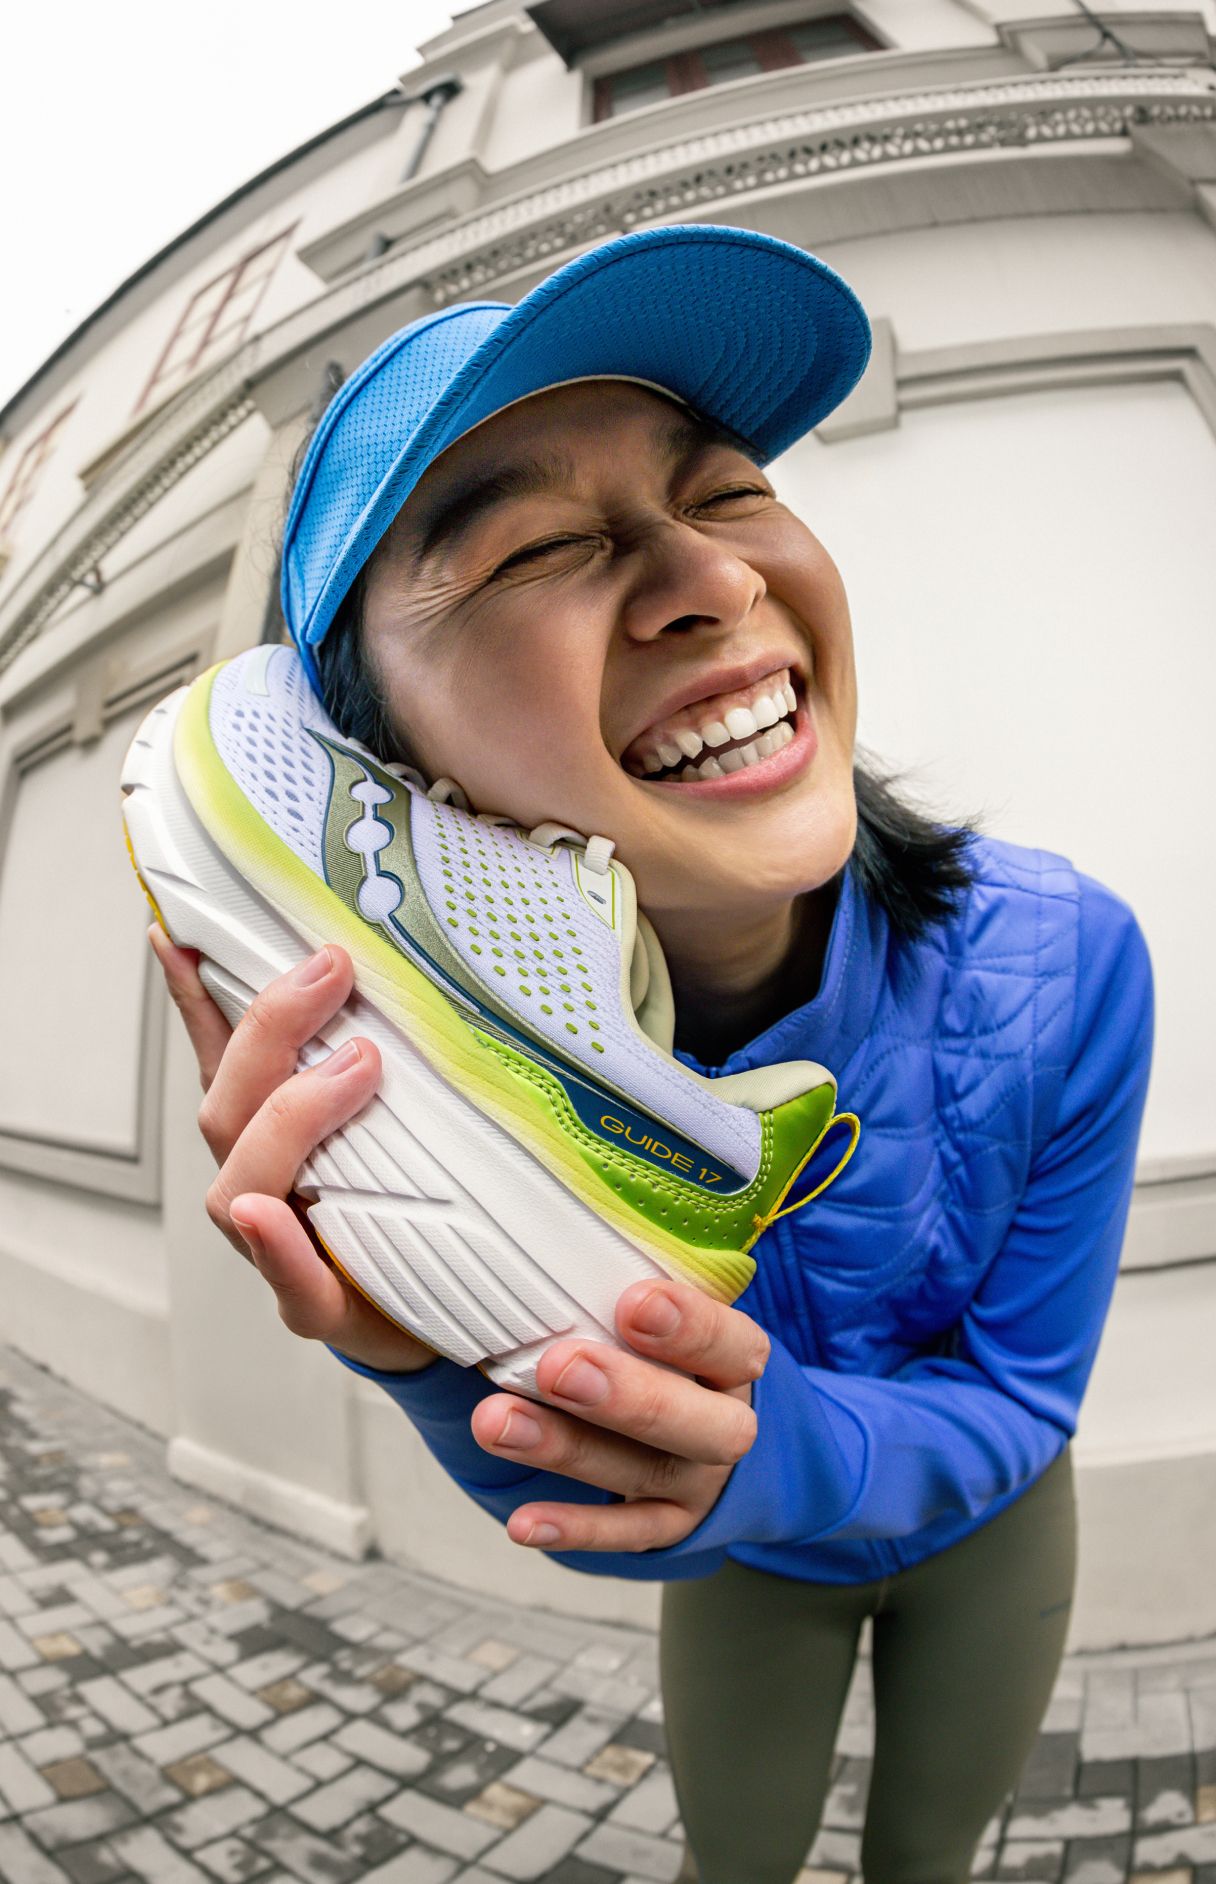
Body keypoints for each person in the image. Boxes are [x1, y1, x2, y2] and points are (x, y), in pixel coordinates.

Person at [149, 225, 1154, 1883]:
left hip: (993, 1531)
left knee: (935, 1866)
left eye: (731, 489)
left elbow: (1020, 1397)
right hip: (754, 1565)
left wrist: (786, 1453)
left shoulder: (1075, 958)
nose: (713, 579)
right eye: (539, 547)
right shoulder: (435, 1114)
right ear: (383, 769)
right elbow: (595, 1512)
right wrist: (421, 1345)